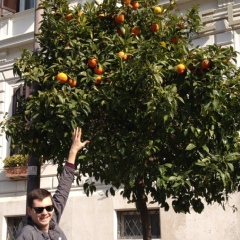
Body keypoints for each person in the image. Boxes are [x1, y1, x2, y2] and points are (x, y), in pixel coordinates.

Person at [16, 127, 89, 240]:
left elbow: (64, 187)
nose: (45, 212)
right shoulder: (27, 235)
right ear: (30, 211)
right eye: (39, 209)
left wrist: (73, 151)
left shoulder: (53, 221)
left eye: (49, 208)